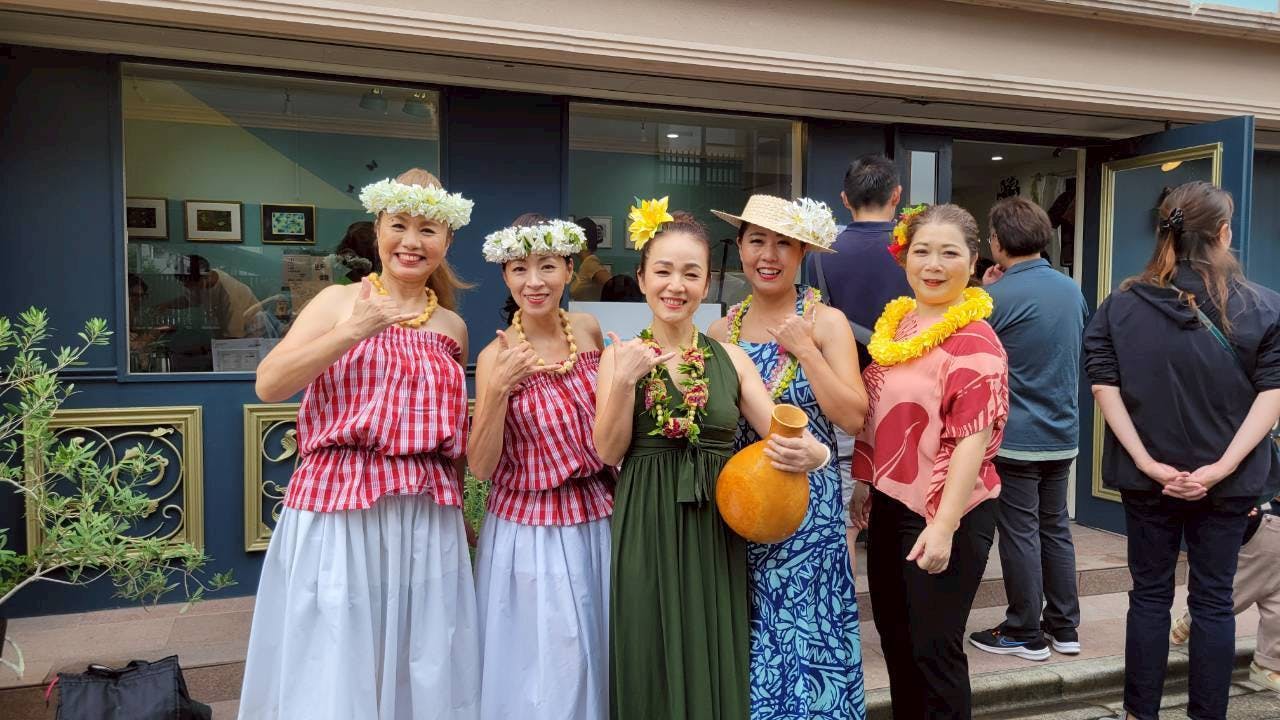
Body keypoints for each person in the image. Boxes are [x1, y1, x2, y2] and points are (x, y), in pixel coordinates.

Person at [238, 168, 480, 720]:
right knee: (336, 649)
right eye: (399, 225)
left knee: (421, 649)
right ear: (378, 231)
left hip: (425, 508)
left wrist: (461, 508)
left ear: (447, 241)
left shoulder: (451, 327)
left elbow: (452, 434)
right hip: (340, 503)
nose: (412, 241)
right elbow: (270, 384)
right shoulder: (338, 302)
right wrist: (353, 330)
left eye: (428, 230)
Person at [595, 199, 833, 720]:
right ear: (642, 279)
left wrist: (815, 453)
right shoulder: (618, 356)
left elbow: (778, 429)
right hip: (645, 522)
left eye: (690, 273)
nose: (675, 285)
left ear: (706, 286)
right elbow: (608, 452)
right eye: (663, 271)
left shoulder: (732, 358)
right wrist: (626, 381)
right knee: (648, 643)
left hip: (715, 527)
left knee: (714, 644)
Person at [1084, 180, 1280, 720]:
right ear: (1223, 233)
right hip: (1230, 483)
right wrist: (1221, 468)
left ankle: (1138, 712)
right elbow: (1272, 396)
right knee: (1213, 600)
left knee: (1149, 595)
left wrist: (1147, 463)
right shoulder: (1263, 306)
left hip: (1147, 479)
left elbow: (1103, 387)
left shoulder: (1121, 305)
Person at [708, 194, 868, 719]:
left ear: (802, 253)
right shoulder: (722, 330)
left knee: (809, 635)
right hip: (741, 506)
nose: (768, 255)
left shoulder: (826, 322)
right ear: (740, 248)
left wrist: (805, 350)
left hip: (808, 506)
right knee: (754, 633)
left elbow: (854, 416)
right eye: (757, 241)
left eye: (783, 243)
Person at [852, 203, 1009, 720]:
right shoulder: (899, 325)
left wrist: (943, 527)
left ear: (974, 261)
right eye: (922, 251)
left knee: (934, 651)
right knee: (897, 643)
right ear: (904, 258)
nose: (934, 265)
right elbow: (882, 414)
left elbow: (972, 439)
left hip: (949, 510)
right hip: (892, 501)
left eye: (949, 253)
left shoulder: (976, 339)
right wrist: (865, 483)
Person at [470, 213, 611, 720]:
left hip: (597, 514)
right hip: (531, 528)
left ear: (569, 269)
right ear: (505, 276)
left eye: (548, 266)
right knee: (547, 661)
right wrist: (497, 391)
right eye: (519, 269)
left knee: (598, 645)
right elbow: (480, 466)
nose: (535, 282)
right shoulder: (497, 356)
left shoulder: (588, 331)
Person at [968, 197, 1088, 662]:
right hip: (1062, 431)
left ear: (997, 242)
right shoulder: (1070, 290)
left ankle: (1024, 630)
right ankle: (1065, 626)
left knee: (1019, 530)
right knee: (1055, 526)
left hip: (1017, 435)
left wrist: (986, 291)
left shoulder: (994, 299)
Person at [806, 154, 913, 568]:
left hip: (846, 396)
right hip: (906, 395)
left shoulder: (819, 254)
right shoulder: (912, 251)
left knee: (848, 521)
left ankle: (846, 601)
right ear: (896, 196)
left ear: (845, 199)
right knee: (906, 512)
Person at [1171, 496, 1280, 695]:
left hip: (1267, 520)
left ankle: (1269, 663)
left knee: (1276, 606)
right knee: (1235, 591)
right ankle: (1190, 620)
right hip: (1268, 521)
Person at [170, 254, 263, 338]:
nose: (186, 286)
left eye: (189, 283)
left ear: (205, 277)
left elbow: (234, 336)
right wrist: (165, 305)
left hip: (250, 336)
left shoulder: (230, 294)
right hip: (228, 335)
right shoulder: (205, 281)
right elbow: (189, 300)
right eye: (184, 282)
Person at [571, 217, 612, 301]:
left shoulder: (590, 263)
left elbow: (614, 286)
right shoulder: (585, 264)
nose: (571, 242)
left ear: (583, 240)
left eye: (574, 238)